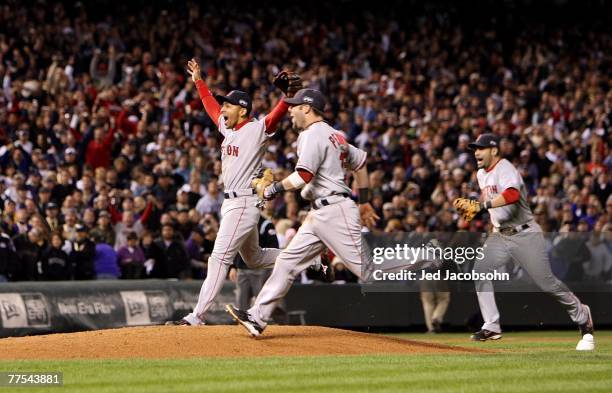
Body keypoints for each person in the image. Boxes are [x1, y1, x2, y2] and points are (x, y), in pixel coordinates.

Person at [166, 60, 317, 325]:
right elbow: (210, 106)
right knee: (256, 258)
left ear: (242, 109)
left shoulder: (256, 129)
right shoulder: (227, 128)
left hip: (244, 203)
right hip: (233, 204)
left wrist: (288, 97)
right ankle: (311, 258)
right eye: (224, 104)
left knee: (219, 257)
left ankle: (196, 316)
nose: (222, 108)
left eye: (228, 104)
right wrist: (199, 81)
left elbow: (275, 116)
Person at [226, 89, 379, 336]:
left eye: (295, 106)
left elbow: (303, 176)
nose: (290, 111)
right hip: (321, 211)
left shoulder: (312, 134)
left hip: (333, 210)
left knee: (369, 272)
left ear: (307, 108)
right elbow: (360, 163)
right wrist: (365, 201)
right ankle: (257, 317)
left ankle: (427, 259)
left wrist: (273, 189)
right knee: (286, 262)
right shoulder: (335, 135)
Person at [455, 133, 594, 351]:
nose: (476, 152)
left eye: (481, 148)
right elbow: (497, 206)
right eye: (475, 149)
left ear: (494, 150)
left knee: (547, 283)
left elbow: (511, 195)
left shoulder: (506, 168)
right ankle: (491, 325)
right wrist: (478, 211)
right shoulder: (481, 174)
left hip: (525, 234)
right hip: (500, 234)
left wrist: (482, 206)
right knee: (480, 270)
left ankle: (582, 314)